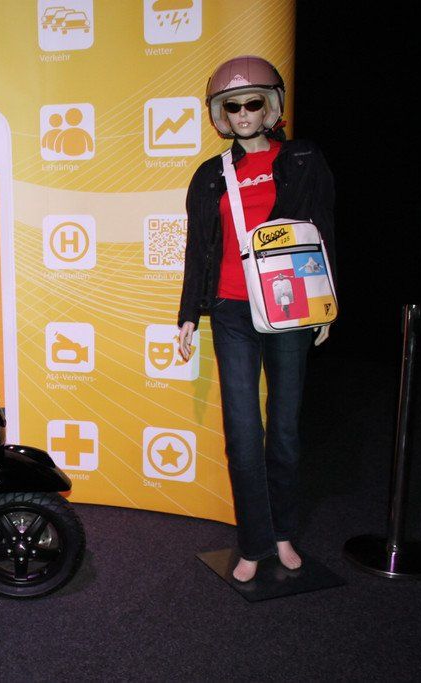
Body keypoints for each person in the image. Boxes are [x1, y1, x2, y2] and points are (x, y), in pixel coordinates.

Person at [177, 56, 336, 583]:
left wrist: (327, 303)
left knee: (284, 430)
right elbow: (198, 249)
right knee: (243, 433)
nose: (243, 113)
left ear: (270, 107)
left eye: (252, 103)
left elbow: (322, 230)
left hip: (291, 308)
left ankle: (284, 532)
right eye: (232, 106)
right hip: (230, 311)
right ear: (220, 115)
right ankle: (253, 541)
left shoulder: (302, 158)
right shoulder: (210, 175)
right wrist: (187, 315)